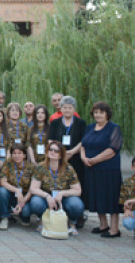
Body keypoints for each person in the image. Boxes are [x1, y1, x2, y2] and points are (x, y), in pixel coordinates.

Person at [81, 101, 123, 238]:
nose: (98, 115)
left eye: (101, 112)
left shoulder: (113, 128)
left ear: (107, 114)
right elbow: (83, 144)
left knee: (110, 197)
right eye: (96, 112)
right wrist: (83, 157)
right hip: (92, 169)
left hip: (108, 170)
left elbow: (113, 149)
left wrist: (94, 160)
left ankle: (115, 229)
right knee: (97, 196)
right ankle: (103, 224)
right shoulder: (90, 127)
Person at [29, 141, 84, 236]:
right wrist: (47, 196)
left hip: (64, 199)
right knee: (35, 202)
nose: (52, 152)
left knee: (77, 204)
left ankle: (72, 222)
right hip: (46, 197)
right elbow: (33, 188)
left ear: (61, 155)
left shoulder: (68, 168)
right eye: (50, 150)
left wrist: (62, 193)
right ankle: (43, 219)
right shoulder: (41, 167)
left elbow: (78, 190)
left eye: (56, 151)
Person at [48, 95, 87, 225]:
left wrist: (72, 152)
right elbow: (50, 140)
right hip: (58, 158)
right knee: (57, 182)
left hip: (75, 158)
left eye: (70, 108)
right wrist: (60, 153)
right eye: (65, 107)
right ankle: (57, 210)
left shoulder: (81, 123)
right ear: (61, 108)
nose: (67, 110)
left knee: (77, 183)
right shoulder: (55, 123)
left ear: (74, 109)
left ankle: (78, 214)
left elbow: (83, 140)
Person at [0, 144, 36, 230]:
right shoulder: (8, 163)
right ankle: (4, 218)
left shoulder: (31, 167)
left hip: (25, 197)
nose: (16, 155)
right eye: (14, 153)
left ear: (24, 155)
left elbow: (33, 188)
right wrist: (17, 191)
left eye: (19, 153)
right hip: (11, 195)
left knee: (25, 213)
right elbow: (3, 182)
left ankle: (24, 215)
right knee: (1, 191)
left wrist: (23, 200)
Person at [119, 155, 135, 240]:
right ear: (132, 167)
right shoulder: (127, 182)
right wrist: (126, 209)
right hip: (134, 211)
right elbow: (123, 200)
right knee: (128, 222)